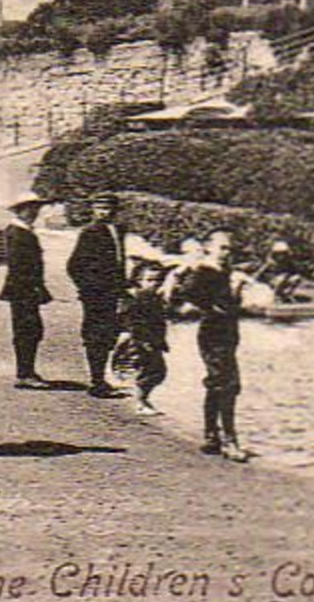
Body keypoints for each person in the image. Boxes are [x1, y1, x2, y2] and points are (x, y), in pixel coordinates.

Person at [175, 228, 250, 462]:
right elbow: (184, 295)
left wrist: (236, 293)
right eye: (222, 247)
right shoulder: (205, 271)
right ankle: (229, 439)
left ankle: (211, 437)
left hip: (227, 333)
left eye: (229, 248)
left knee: (219, 383)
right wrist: (206, 308)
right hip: (213, 333)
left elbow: (229, 305)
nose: (227, 253)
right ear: (208, 247)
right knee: (228, 384)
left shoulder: (224, 271)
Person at [67, 191, 129, 398]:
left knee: (108, 334)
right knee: (95, 336)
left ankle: (101, 378)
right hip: (96, 295)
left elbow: (119, 263)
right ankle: (96, 382)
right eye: (100, 208)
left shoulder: (118, 231)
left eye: (109, 208)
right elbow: (74, 265)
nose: (105, 212)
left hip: (113, 293)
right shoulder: (90, 232)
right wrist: (88, 289)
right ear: (93, 209)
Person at [0, 193, 53, 390]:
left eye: (36, 208)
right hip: (22, 290)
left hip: (26, 289)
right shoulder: (17, 233)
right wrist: (33, 287)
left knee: (32, 330)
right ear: (19, 210)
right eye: (30, 208)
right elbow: (18, 266)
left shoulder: (24, 232)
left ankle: (27, 370)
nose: (34, 212)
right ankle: (24, 374)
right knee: (26, 331)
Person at [113, 261, 170, 416]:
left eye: (158, 280)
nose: (155, 284)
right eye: (150, 280)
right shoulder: (134, 300)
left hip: (153, 341)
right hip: (139, 341)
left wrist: (161, 341)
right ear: (139, 281)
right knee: (149, 371)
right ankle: (140, 401)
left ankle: (142, 397)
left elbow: (160, 321)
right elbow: (130, 322)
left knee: (158, 372)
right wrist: (140, 340)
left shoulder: (155, 299)